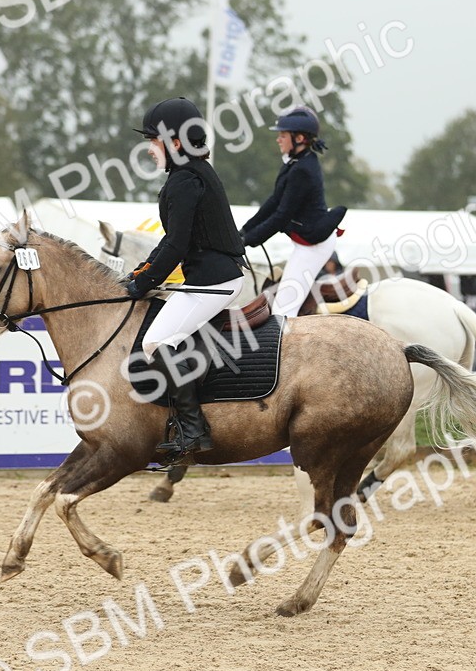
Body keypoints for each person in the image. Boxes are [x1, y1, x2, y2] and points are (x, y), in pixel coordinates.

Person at [123, 97, 247, 461]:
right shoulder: (192, 173)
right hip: (211, 277)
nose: (149, 149)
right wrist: (140, 273)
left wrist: (140, 285)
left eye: (154, 140)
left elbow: (176, 244)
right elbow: (174, 242)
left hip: (214, 282)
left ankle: (194, 429)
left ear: (175, 142)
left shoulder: (185, 180)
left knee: (156, 344)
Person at [239, 106, 347, 317]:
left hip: (313, 246)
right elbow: (273, 202)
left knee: (283, 309)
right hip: (305, 242)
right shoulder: (295, 163)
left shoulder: (303, 170)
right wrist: (243, 231)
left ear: (298, 138)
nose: (278, 139)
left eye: (282, 135)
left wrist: (248, 240)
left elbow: (281, 216)